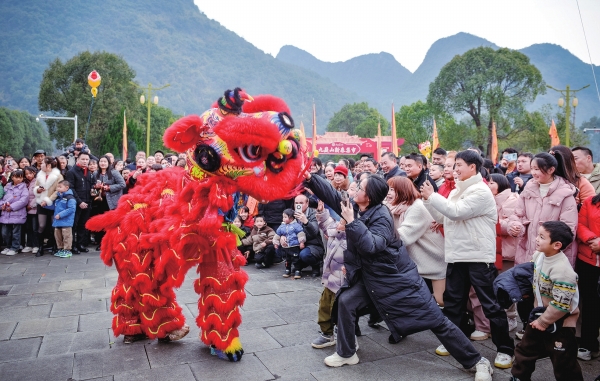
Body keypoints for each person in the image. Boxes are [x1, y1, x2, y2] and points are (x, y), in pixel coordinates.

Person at [305, 171, 494, 381]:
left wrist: (352, 222)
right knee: (346, 302)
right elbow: (332, 194)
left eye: (360, 188)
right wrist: (309, 178)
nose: (355, 190)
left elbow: (372, 246)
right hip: (372, 278)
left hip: (398, 280)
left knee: (436, 320)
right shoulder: (357, 207)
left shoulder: (381, 216)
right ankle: (347, 353)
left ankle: (478, 361)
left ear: (369, 196)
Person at [422, 149, 515, 369]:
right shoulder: (458, 189)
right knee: (453, 302)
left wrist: (433, 196)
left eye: (458, 165)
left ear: (473, 167)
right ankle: (455, 342)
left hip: (477, 255)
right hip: (457, 254)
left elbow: (456, 212)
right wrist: (428, 201)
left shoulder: (480, 191)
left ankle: (505, 349)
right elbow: (444, 217)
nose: (455, 170)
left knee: (490, 304)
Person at [507, 151, 578, 340]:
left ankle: (550, 328)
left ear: (552, 169)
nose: (534, 173)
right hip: (527, 250)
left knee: (550, 294)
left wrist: (548, 244)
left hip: (552, 255)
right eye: (533, 169)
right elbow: (518, 214)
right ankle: (527, 326)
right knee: (525, 292)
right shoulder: (529, 189)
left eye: (537, 169)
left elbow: (569, 229)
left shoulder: (566, 194)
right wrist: (514, 226)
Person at [511, 221, 582, 381]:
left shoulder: (563, 270)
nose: (536, 239)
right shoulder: (540, 255)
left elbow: (561, 304)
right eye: (538, 235)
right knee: (525, 349)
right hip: (539, 315)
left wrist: (544, 322)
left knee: (563, 360)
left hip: (560, 322)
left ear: (557, 245)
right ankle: (519, 377)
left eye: (542, 237)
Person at [386, 176, 446, 306]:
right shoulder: (394, 208)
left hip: (434, 260)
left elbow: (403, 237)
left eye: (392, 189)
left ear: (403, 191)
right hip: (418, 262)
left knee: (441, 301)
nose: (388, 193)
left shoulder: (417, 207)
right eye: (388, 189)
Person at [574, 192, 600, 361]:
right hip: (588, 259)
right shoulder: (591, 201)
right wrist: (593, 240)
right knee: (589, 303)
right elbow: (580, 224)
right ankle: (588, 343)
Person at [90, 155, 126, 250]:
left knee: (111, 223)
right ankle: (101, 243)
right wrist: (96, 187)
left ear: (109, 163)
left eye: (105, 161)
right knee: (101, 222)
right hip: (99, 201)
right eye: (101, 161)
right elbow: (92, 186)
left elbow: (122, 184)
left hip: (112, 201)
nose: (102, 163)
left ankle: (111, 242)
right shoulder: (95, 173)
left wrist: (109, 188)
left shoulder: (114, 172)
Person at [34, 156, 63, 256]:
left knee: (53, 225)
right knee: (41, 225)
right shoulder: (40, 174)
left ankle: (55, 246)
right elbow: (36, 187)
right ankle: (40, 247)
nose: (41, 165)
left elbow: (58, 190)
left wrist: (48, 200)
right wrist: (38, 190)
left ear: (48, 165)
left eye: (43, 163)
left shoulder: (58, 176)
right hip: (41, 203)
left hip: (53, 203)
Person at [65, 152, 93, 254]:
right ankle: (72, 245)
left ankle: (80, 244)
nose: (85, 161)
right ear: (78, 159)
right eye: (83, 159)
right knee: (74, 225)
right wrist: (79, 202)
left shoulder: (88, 172)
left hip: (88, 201)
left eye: (87, 159)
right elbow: (71, 188)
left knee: (83, 225)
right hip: (76, 203)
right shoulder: (71, 172)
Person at [292, 194, 325, 277]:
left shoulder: (313, 213)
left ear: (307, 203)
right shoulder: (292, 214)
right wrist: (282, 237)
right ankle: (299, 265)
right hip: (297, 243)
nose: (298, 205)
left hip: (313, 244)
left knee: (305, 255)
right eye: (296, 203)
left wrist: (306, 222)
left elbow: (314, 232)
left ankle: (316, 265)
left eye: (301, 203)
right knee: (282, 247)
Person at [0, 170, 29, 256]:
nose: (18, 179)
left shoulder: (23, 187)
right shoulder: (7, 187)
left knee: (16, 232)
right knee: (5, 232)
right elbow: (1, 197)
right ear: (12, 177)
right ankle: (8, 246)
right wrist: (2, 205)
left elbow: (24, 200)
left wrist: (12, 207)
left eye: (20, 177)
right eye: (16, 177)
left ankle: (15, 247)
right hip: (6, 213)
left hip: (17, 213)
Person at [273, 208, 306, 279]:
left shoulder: (296, 225)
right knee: (287, 259)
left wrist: (301, 242)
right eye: (283, 217)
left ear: (291, 218)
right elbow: (277, 234)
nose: (283, 219)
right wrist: (276, 242)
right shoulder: (282, 226)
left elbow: (300, 233)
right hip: (286, 247)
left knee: (296, 259)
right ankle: (287, 269)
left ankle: (297, 270)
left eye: (285, 217)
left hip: (294, 246)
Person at [52, 180, 77, 258]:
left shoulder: (70, 198)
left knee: (66, 236)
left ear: (67, 188)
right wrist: (45, 205)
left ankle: (67, 250)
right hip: (57, 221)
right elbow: (54, 207)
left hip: (66, 221)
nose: (58, 188)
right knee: (58, 235)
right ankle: (60, 248)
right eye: (57, 187)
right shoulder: (58, 197)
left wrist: (60, 215)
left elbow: (71, 209)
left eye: (60, 187)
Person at [22, 166, 39, 254]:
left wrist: (31, 205)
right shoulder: (25, 183)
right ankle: (29, 244)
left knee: (35, 228)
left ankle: (36, 245)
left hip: (35, 209)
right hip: (26, 209)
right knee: (28, 228)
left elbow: (38, 196)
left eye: (30, 173)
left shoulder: (37, 181)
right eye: (26, 174)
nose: (28, 175)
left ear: (34, 173)